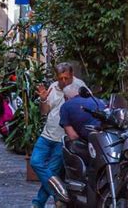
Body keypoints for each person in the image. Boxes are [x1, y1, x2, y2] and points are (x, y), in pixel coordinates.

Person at [30, 62, 86, 208]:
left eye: (66, 78)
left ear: (72, 75)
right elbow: (45, 111)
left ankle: (38, 203)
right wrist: (43, 99)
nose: (63, 81)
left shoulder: (80, 87)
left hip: (63, 138)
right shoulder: (53, 87)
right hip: (47, 134)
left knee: (53, 171)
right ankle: (59, 196)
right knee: (35, 162)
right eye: (60, 78)